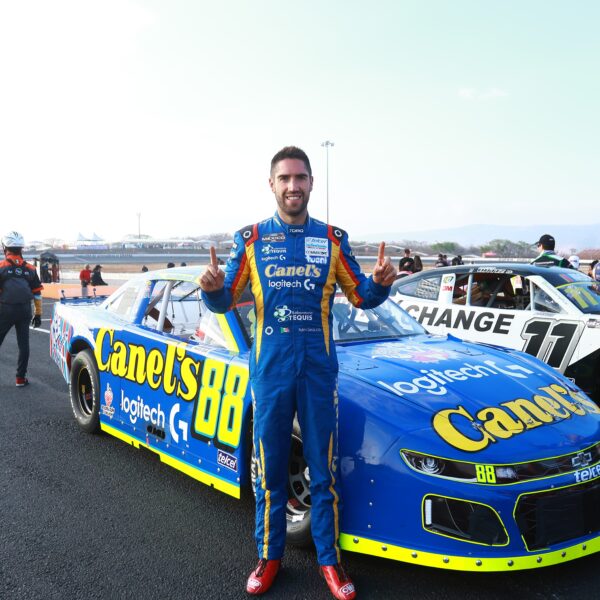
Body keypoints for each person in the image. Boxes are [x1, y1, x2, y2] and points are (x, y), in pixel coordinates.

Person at [199, 146, 396, 600]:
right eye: (285, 178)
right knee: (269, 471)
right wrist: (210, 293)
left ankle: (330, 561)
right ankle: (269, 558)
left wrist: (382, 283)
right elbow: (226, 298)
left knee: (322, 471)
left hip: (318, 371)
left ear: (311, 184)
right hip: (269, 372)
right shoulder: (250, 239)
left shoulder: (331, 238)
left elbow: (362, 297)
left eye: (301, 178)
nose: (293, 186)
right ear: (272, 184)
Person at [0, 231, 43, 387]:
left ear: (5, 248)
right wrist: (38, 314)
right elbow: (37, 293)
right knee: (23, 345)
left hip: (5, 309)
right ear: (21, 249)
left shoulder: (1, 267)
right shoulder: (30, 269)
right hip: (24, 310)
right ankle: (20, 378)